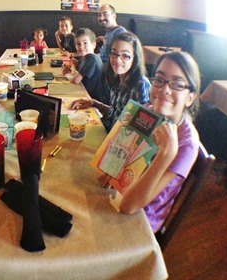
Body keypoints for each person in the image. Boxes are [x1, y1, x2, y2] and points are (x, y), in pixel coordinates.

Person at [103, 51, 202, 235]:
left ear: (190, 97)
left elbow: (129, 207)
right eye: (159, 79)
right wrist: (112, 168)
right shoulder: (147, 112)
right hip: (118, 192)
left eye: (177, 84)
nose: (165, 90)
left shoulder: (186, 144)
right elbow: (118, 157)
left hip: (142, 221)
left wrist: (166, 153)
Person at [69, 32, 150, 131]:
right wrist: (93, 103)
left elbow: (143, 130)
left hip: (119, 138)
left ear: (135, 58)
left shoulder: (141, 85)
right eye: (114, 53)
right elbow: (115, 113)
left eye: (125, 55)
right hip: (107, 130)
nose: (117, 60)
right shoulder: (116, 78)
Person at [62, 28, 104, 101]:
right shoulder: (86, 57)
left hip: (91, 99)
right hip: (84, 93)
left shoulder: (92, 59)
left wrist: (66, 73)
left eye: (85, 43)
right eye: (78, 44)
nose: (81, 47)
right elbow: (84, 74)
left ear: (93, 45)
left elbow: (76, 80)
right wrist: (76, 65)